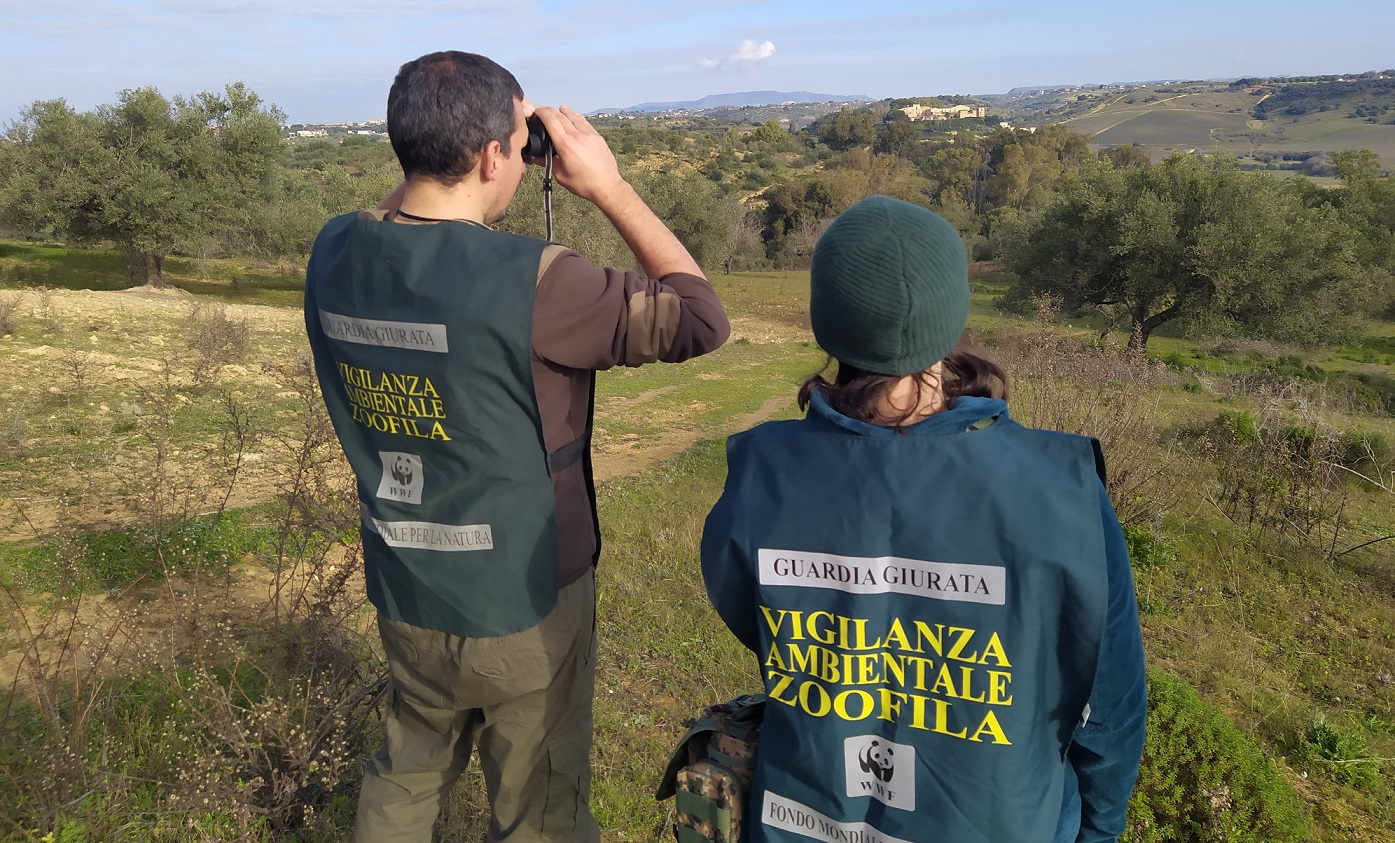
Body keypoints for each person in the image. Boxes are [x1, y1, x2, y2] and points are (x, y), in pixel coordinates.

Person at [304, 51, 730, 842]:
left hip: (406, 581)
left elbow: (397, 216)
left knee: (405, 773)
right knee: (539, 810)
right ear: (496, 155)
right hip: (524, 598)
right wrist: (607, 186)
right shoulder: (535, 280)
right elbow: (700, 318)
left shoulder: (335, 252)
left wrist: (441, 147)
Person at [700, 196, 1145, 843]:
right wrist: (1098, 829)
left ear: (827, 321)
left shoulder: (760, 470)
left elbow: (754, 618)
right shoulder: (1059, 488)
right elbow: (1107, 707)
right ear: (952, 313)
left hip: (803, 818)